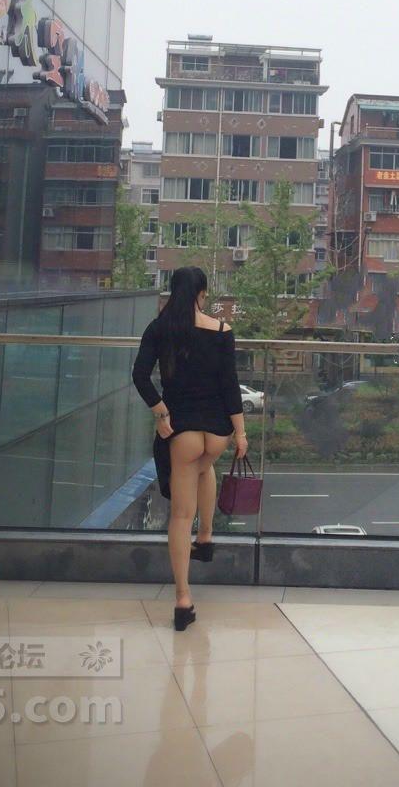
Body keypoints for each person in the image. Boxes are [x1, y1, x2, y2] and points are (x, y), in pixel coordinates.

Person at [132, 266, 248, 631]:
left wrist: (160, 412)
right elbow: (230, 386)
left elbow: (139, 376)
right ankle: (207, 536)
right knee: (205, 466)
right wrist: (241, 435)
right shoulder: (222, 330)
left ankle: (183, 600)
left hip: (182, 432)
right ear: (202, 294)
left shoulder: (160, 328)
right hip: (217, 432)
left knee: (180, 516)